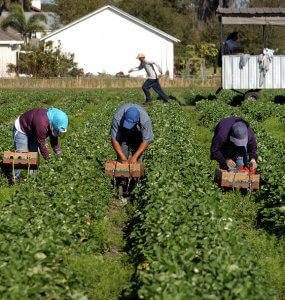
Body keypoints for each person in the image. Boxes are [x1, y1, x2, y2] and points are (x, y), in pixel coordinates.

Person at [12, 108, 68, 179]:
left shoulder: (53, 120)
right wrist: (49, 158)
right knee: (22, 155)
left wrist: (58, 151)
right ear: (54, 123)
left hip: (33, 130)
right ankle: (15, 178)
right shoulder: (42, 124)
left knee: (35, 155)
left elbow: (54, 138)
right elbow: (41, 144)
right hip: (22, 128)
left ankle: (33, 178)